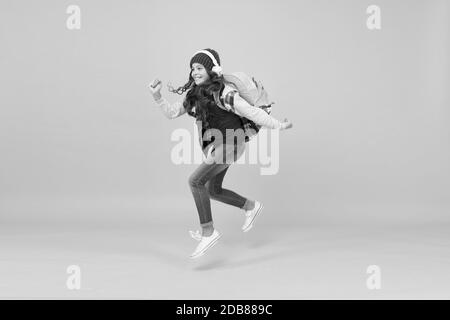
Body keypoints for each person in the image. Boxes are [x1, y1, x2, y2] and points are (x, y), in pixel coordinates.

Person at [148, 48, 293, 259]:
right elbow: (171, 113)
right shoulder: (193, 94)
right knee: (212, 190)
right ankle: (251, 207)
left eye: (199, 68)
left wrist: (278, 125)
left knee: (194, 181)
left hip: (232, 142)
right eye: (192, 69)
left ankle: (208, 232)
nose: (195, 72)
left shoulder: (224, 92)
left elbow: (251, 112)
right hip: (220, 146)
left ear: (212, 69)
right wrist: (157, 96)